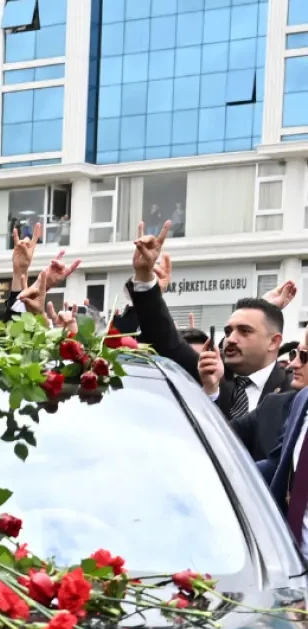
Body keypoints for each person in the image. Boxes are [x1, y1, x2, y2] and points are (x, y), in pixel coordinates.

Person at [128, 222, 294, 461]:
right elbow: (164, 337)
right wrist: (144, 277)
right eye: (229, 330)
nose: (231, 339)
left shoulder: (292, 393)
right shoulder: (207, 372)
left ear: (274, 342)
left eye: (245, 331)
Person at [256, 328, 308, 553]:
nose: (294, 364)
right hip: (295, 566)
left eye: (304, 357)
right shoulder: (302, 401)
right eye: (296, 353)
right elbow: (276, 464)